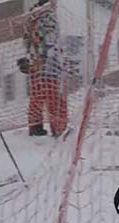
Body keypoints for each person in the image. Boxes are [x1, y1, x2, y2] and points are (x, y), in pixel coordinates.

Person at [20, 0, 68, 137]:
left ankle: (35, 127)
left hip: (35, 65)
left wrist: (31, 59)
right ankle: (58, 128)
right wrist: (42, 59)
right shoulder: (47, 18)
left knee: (37, 97)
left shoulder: (31, 19)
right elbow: (48, 42)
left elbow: (28, 41)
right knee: (53, 98)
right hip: (48, 66)